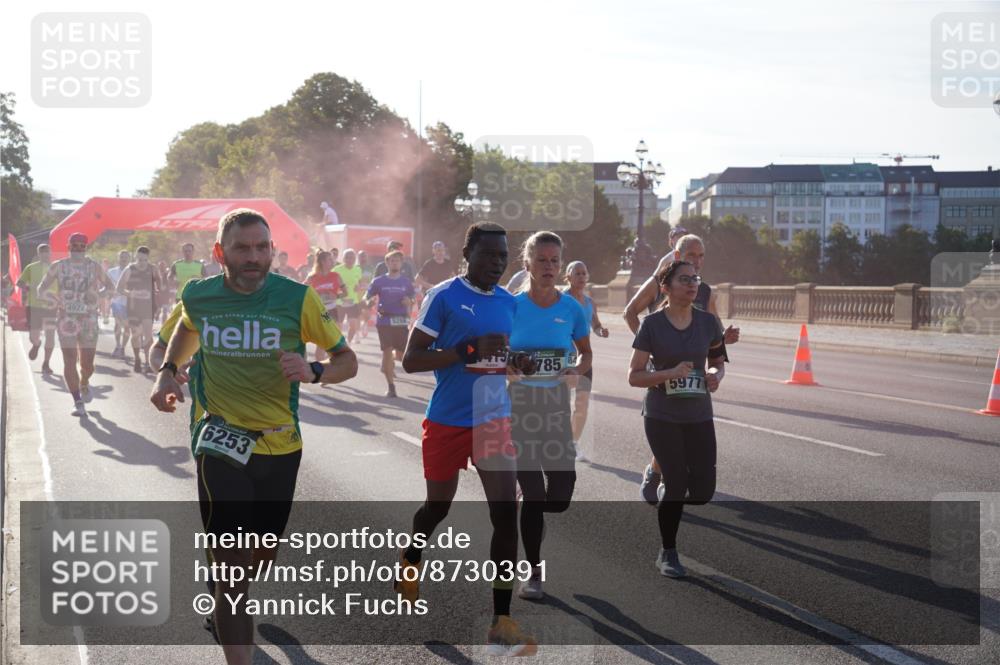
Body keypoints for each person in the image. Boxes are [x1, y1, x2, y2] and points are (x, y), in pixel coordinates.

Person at [149, 208, 358, 665]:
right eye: (242, 248)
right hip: (219, 438)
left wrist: (316, 370)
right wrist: (166, 372)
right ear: (220, 253)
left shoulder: (296, 299)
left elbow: (347, 359)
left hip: (280, 444)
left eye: (261, 247)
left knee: (261, 553)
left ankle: (226, 582)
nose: (253, 257)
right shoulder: (199, 295)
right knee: (233, 573)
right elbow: (183, 330)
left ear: (271, 251)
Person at [398, 221, 537, 656]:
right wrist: (463, 352)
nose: (497, 262)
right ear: (467, 254)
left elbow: (501, 355)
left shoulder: (510, 303)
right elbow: (411, 360)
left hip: (493, 419)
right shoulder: (443, 296)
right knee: (436, 508)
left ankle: (501, 621)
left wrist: (518, 362)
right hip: (447, 421)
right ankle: (410, 557)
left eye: (503, 256)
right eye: (488, 254)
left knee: (504, 515)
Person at [624, 234, 740, 504]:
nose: (697, 262)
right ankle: (656, 475)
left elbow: (713, 333)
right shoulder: (659, 282)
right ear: (677, 256)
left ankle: (668, 479)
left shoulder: (705, 291)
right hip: (662, 371)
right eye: (691, 255)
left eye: (701, 256)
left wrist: (725, 338)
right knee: (669, 428)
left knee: (686, 434)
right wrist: (651, 347)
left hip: (693, 378)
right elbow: (630, 313)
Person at [628, 260, 725, 578]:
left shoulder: (709, 323)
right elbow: (634, 376)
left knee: (703, 490)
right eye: (684, 279)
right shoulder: (652, 325)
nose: (692, 283)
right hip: (661, 414)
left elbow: (717, 360)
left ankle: (660, 474)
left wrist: (714, 375)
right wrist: (669, 373)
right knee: (677, 484)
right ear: (665, 288)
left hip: (698, 413)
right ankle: (667, 552)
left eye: (695, 278)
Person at [508, 232, 592, 601]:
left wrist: (576, 370)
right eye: (541, 260)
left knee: (560, 496)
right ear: (527, 264)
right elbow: (495, 356)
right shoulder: (511, 307)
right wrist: (509, 367)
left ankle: (530, 503)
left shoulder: (571, 308)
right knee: (535, 498)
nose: (549, 267)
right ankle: (534, 572)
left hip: (556, 409)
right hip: (519, 409)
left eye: (554, 260)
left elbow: (586, 353)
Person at [37, 233, 116, 416]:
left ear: (86, 248)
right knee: (69, 359)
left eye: (82, 246)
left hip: (89, 319)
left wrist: (97, 297)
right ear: (68, 246)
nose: (78, 248)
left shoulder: (93, 266)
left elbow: (111, 288)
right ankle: (77, 401)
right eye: (75, 245)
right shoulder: (59, 266)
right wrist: (53, 299)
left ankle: (84, 381)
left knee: (87, 365)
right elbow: (41, 289)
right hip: (66, 319)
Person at [562, 260, 609, 462]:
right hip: (562, 360)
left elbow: (596, 324)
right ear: (568, 277)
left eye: (584, 273)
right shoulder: (560, 300)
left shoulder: (589, 303)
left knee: (582, 405)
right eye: (577, 273)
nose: (581, 277)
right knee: (561, 405)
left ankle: (572, 443)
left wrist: (600, 330)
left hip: (583, 359)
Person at [364, 250, 414, 397]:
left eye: (397, 261)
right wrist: (369, 301)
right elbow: (367, 296)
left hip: (401, 320)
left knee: (400, 355)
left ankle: (390, 360)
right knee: (387, 352)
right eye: (392, 260)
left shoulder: (405, 281)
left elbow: (413, 297)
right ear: (387, 263)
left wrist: (409, 301)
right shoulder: (378, 281)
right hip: (384, 320)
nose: (395, 263)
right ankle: (391, 386)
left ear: (401, 263)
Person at [117, 246, 162, 373]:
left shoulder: (153, 269)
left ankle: (148, 361)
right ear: (136, 257)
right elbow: (119, 288)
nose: (142, 263)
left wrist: (157, 293)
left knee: (148, 334)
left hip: (148, 306)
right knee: (135, 335)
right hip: (133, 306)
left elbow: (160, 285)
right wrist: (132, 294)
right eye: (139, 259)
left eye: (144, 260)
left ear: (148, 259)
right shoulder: (129, 269)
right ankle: (137, 358)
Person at [17, 243, 56, 374]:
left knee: (50, 336)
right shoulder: (31, 267)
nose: (45, 254)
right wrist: (30, 288)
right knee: (34, 336)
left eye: (47, 251)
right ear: (38, 254)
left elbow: (63, 286)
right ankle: (36, 344)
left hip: (51, 307)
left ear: (50, 253)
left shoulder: (56, 268)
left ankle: (46, 363)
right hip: (34, 306)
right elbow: (19, 283)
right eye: (42, 251)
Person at [304, 250, 345, 361]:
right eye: (330, 260)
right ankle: (320, 369)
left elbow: (345, 292)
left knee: (332, 338)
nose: (333, 262)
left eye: (333, 259)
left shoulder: (336, 276)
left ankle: (324, 365)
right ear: (322, 262)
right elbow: (301, 292)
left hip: (331, 310)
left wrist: (336, 296)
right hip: (319, 312)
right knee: (322, 342)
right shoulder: (312, 277)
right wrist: (316, 296)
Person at [333, 248, 364, 344]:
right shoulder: (336, 270)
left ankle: (348, 343)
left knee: (353, 326)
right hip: (339, 302)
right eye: (347, 257)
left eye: (352, 258)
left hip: (352, 301)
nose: (350, 260)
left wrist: (359, 287)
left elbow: (360, 283)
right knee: (338, 328)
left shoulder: (358, 269)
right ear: (343, 259)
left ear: (355, 259)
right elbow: (332, 284)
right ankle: (338, 344)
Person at [107, 250, 133, 359]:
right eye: (122, 257)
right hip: (116, 302)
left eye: (126, 257)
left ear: (129, 259)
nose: (124, 259)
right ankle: (117, 345)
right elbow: (107, 287)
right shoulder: (111, 272)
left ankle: (122, 348)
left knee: (127, 327)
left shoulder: (134, 272)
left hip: (129, 302)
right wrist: (111, 294)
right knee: (118, 324)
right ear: (118, 258)